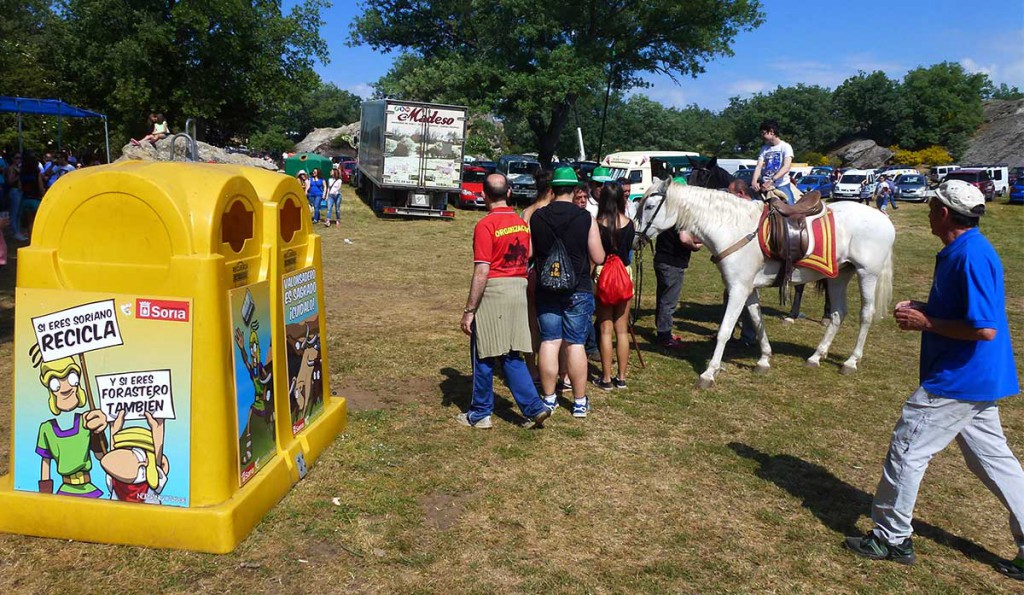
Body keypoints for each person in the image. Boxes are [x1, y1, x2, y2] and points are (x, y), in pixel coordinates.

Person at [844, 180, 1024, 581]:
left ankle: (892, 538)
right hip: (976, 378)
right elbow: (968, 313)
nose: (927, 211)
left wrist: (927, 322)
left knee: (907, 450)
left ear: (944, 213)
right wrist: (928, 309)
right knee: (995, 463)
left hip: (959, 379)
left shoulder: (972, 256)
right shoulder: (963, 250)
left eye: (931, 206)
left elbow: (985, 329)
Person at [457, 173, 552, 429]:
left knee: (484, 353)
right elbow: (530, 252)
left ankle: (480, 413)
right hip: (518, 289)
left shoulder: (485, 225)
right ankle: (534, 407)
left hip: (495, 291)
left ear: (484, 195)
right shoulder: (521, 223)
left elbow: (482, 270)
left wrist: (469, 310)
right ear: (508, 193)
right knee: (511, 353)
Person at [530, 167, 605, 418]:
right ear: (575, 190)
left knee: (549, 341)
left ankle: (549, 398)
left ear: (552, 189)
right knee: (575, 344)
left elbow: (530, 253)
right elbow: (598, 256)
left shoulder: (537, 217)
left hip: (546, 287)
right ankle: (579, 402)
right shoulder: (585, 218)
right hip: (579, 288)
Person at [593, 181, 635, 390]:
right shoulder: (630, 223)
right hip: (624, 274)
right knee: (622, 329)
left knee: (605, 329)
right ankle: (622, 377)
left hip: (603, 274)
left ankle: (606, 377)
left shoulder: (597, 223)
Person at [653, 177, 703, 349]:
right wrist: (696, 246)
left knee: (661, 296)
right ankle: (664, 336)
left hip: (660, 258)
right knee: (669, 301)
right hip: (674, 262)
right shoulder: (681, 213)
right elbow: (684, 238)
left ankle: (662, 330)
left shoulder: (665, 210)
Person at [751, 120, 795, 204]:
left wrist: (771, 181)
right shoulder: (764, 148)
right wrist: (754, 181)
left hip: (781, 185)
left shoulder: (785, 147)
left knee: (790, 209)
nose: (762, 136)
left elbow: (786, 167)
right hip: (764, 186)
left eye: (763, 133)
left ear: (771, 132)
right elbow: (759, 166)